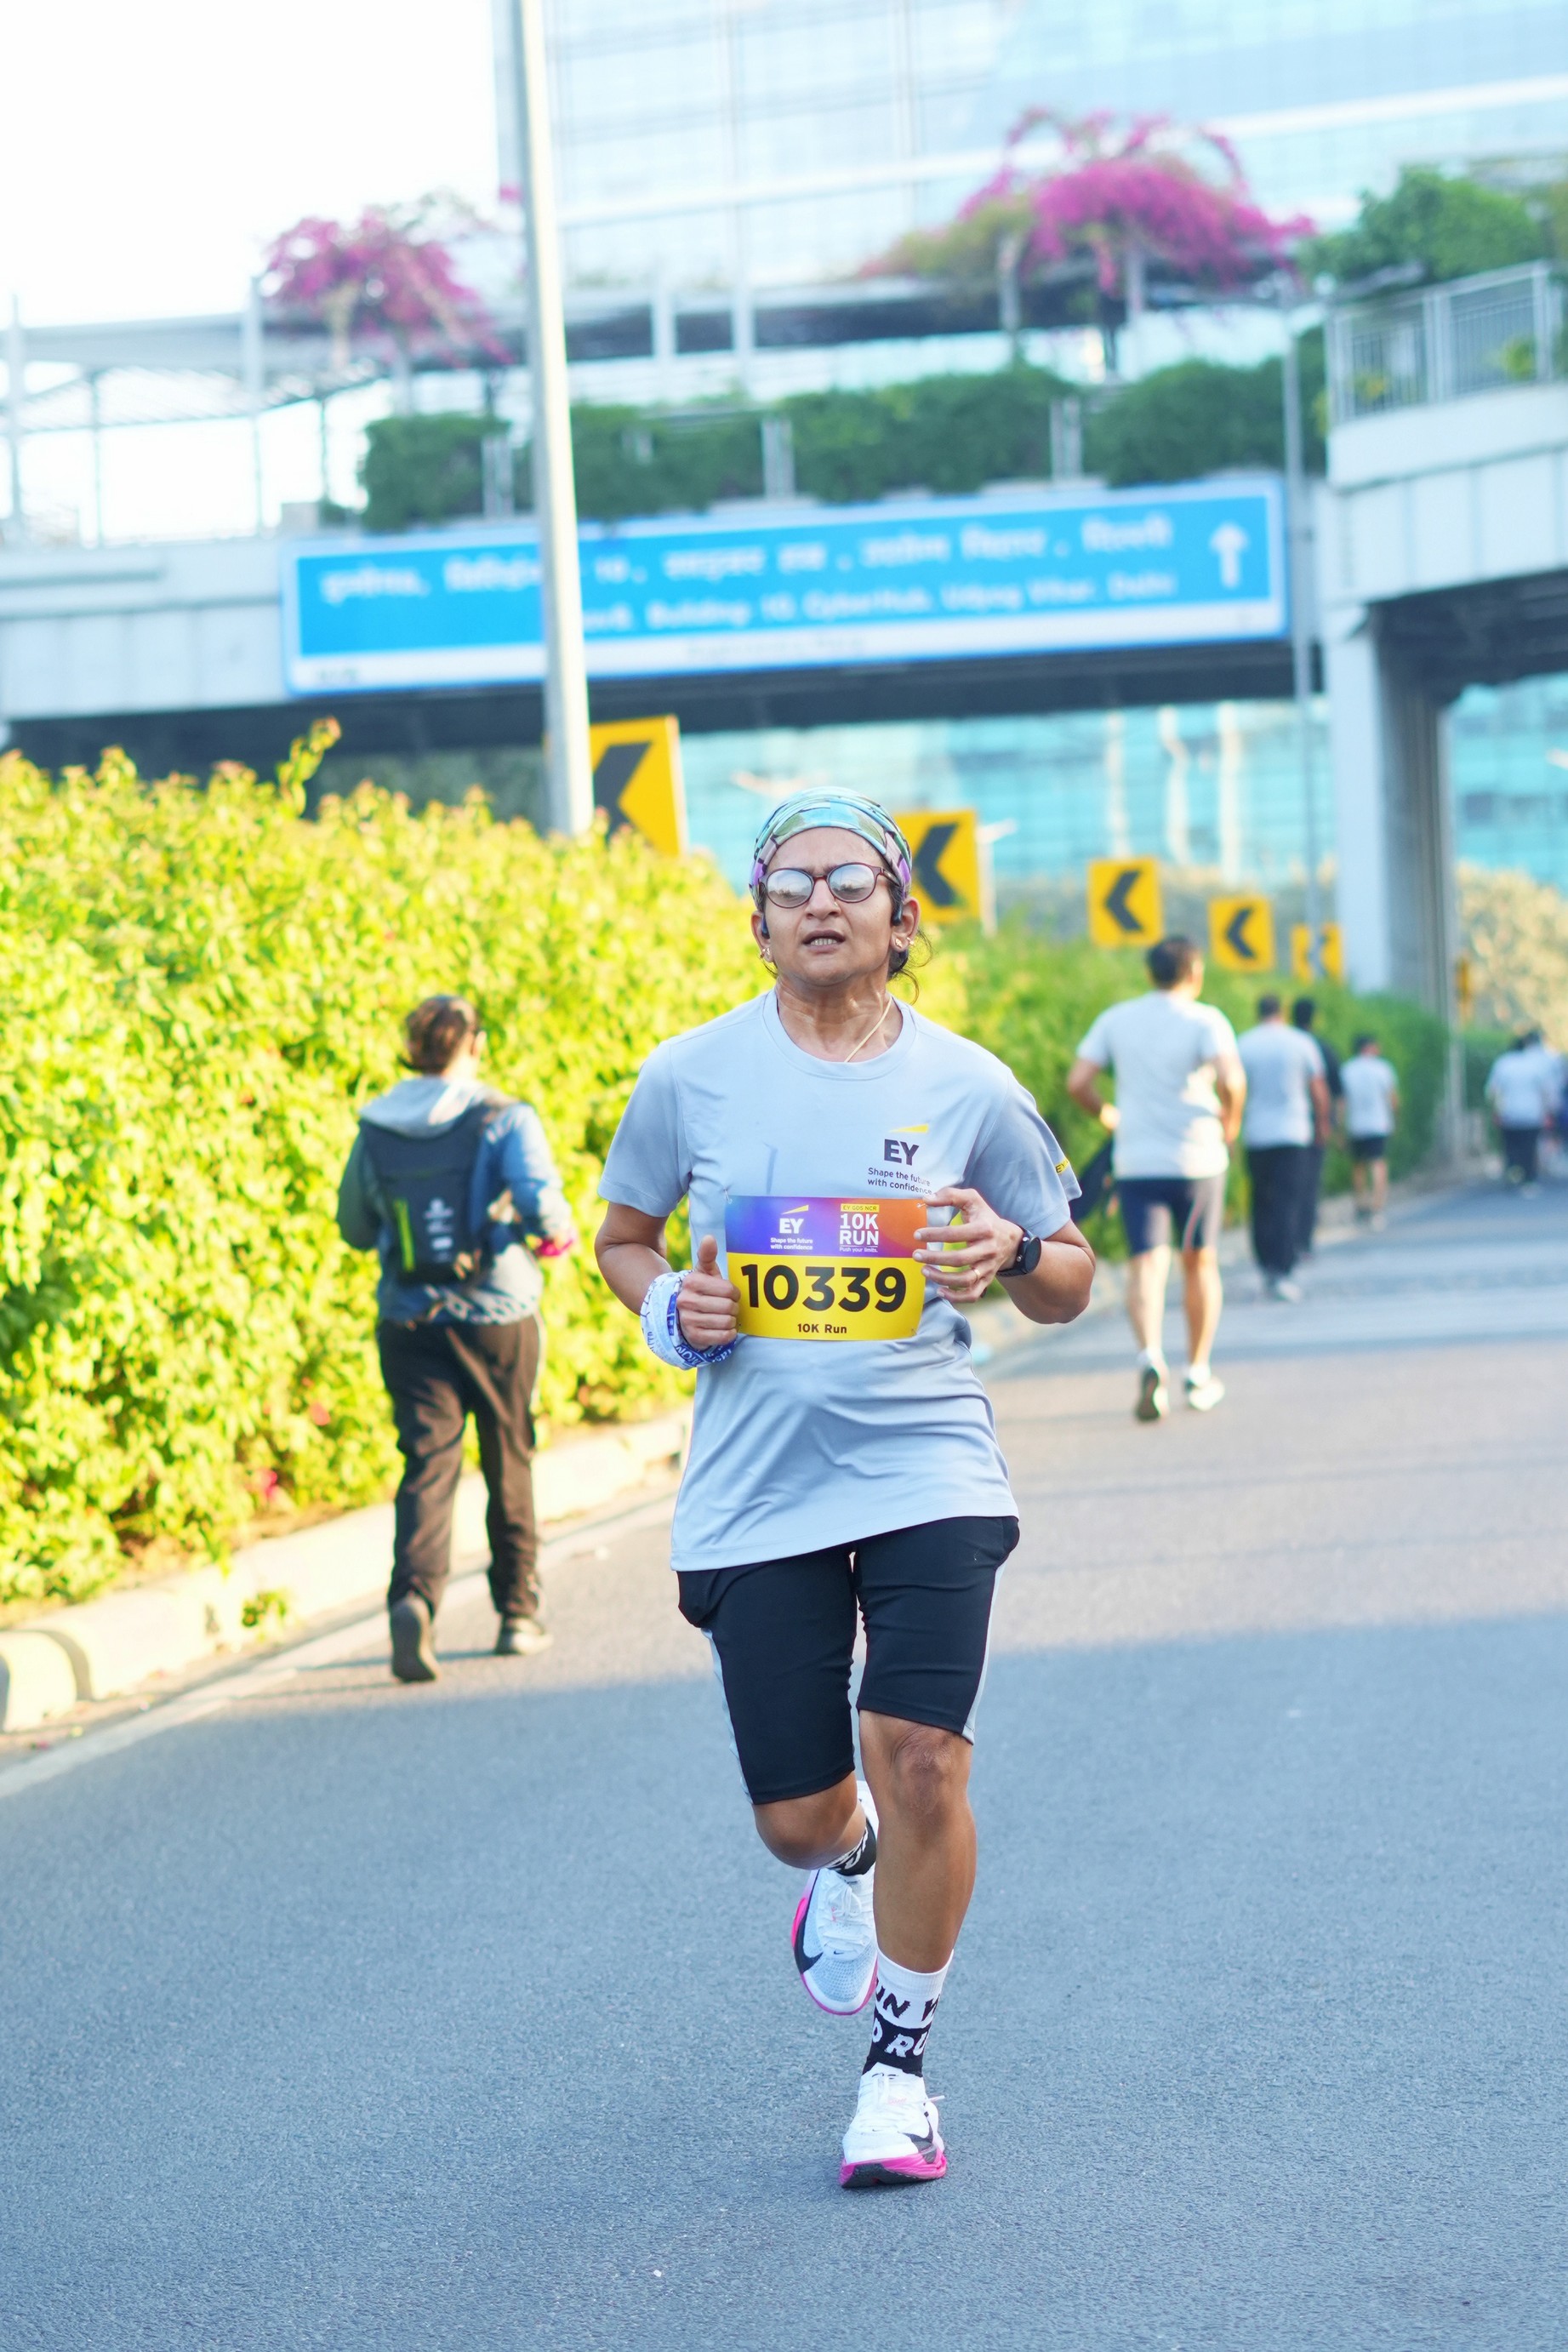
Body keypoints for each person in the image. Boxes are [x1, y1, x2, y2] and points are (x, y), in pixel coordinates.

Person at [594, 791, 1093, 2191]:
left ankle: (897, 2072)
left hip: (926, 1457)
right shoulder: (688, 1075)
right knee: (798, 1819)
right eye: (791, 884)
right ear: (757, 922)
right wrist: (670, 1309)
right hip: (757, 1482)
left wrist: (1007, 1250)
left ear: (899, 916)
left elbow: (1067, 1274)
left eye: (850, 881)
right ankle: (852, 1858)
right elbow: (624, 1238)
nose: (819, 901)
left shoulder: (968, 1082)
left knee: (920, 1749)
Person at [337, 995, 576, 1682]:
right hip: (497, 1312)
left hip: (409, 1319)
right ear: (475, 1044)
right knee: (508, 1454)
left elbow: (355, 1227)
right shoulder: (504, 1117)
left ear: (412, 1049)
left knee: (427, 1462)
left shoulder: (374, 1126)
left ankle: (413, 1600)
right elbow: (541, 1207)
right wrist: (554, 1235)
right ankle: (518, 1614)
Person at [1066, 935, 1245, 1420]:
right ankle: (1199, 1373)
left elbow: (1078, 1082)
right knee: (1200, 1262)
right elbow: (1232, 1081)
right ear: (1195, 973)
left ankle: (1150, 1359)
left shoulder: (1117, 1019)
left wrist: (1107, 1115)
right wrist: (1230, 1126)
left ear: (1150, 973)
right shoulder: (1206, 1020)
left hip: (1137, 1160)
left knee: (1146, 1264)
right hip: (1198, 1159)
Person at [1236, 994, 1329, 1302]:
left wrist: (1231, 1132)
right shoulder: (1301, 1043)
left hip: (1257, 1134)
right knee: (1288, 1201)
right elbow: (1318, 1089)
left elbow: (1233, 1089)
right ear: (1283, 1012)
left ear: (1258, 1012)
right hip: (1294, 1133)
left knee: (1261, 1201)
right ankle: (1284, 1267)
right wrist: (1323, 1124)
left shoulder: (1244, 1044)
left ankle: (1266, 1263)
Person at [1290, 996, 1341, 1255]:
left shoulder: (1285, 1044)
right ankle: (1304, 1241)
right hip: (1313, 1126)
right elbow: (1335, 1092)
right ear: (1315, 1018)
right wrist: (1332, 1124)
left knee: (1286, 1187)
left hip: (1285, 1128)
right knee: (1309, 1185)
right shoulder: (1322, 1048)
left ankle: (1287, 1241)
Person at [1338, 1032, 1400, 1223]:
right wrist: (1395, 1119)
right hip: (1378, 1123)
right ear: (1370, 1047)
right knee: (1378, 1164)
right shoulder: (1382, 1068)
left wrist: (1340, 1127)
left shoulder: (1347, 1070)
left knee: (1358, 1166)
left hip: (1356, 1125)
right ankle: (1377, 1205)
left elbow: (1342, 1102)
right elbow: (1392, 1098)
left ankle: (1360, 1204)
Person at [1485, 1033, 1551, 1190]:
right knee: (1529, 1147)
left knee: (1511, 1147)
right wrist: (1546, 1112)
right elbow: (1545, 1091)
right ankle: (1529, 1179)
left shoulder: (1503, 1063)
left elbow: (1492, 1090)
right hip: (1532, 1114)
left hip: (1509, 1114)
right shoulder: (1535, 1065)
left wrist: (1495, 1111)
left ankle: (1513, 1175)